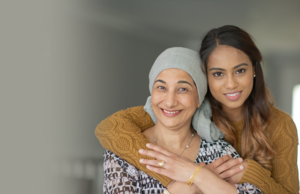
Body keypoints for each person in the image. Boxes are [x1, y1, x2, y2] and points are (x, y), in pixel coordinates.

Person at [97, 25, 299, 194]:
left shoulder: (275, 127)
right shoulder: (180, 111)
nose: (231, 84)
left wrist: (250, 174)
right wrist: (185, 178)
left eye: (240, 70)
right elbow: (109, 128)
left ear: (254, 69)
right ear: (206, 77)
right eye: (218, 73)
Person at [102, 47, 261, 194]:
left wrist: (199, 176)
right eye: (161, 87)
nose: (170, 101)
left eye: (183, 89)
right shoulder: (122, 154)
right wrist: (186, 188)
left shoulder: (220, 153)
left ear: (198, 98)